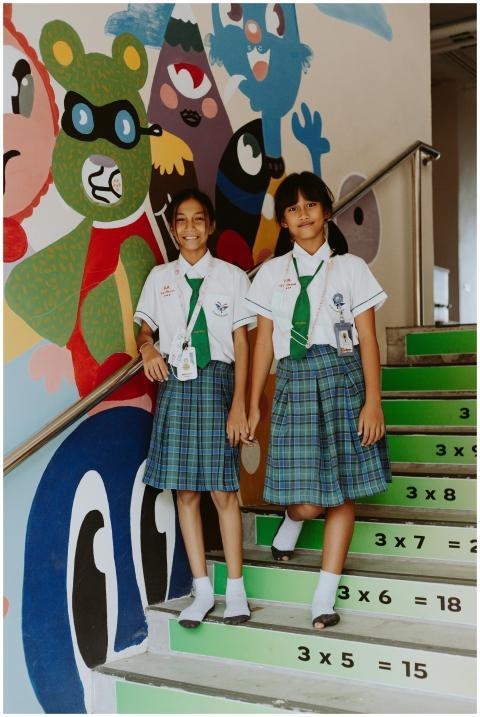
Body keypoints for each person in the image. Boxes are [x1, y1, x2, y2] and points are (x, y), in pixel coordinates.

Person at [245, 172, 391, 630]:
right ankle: (294, 517)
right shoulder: (271, 273)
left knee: (343, 490)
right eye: (293, 208)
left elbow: (367, 339)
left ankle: (324, 596)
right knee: (308, 501)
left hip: (344, 380)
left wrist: (373, 401)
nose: (303, 213)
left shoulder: (351, 269)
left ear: (326, 211)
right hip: (295, 381)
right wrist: (252, 402)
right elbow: (264, 343)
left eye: (311, 205)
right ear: (284, 222)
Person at [134, 188, 255, 628]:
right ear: (171, 228)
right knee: (185, 492)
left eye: (198, 219)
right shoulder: (159, 278)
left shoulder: (233, 278)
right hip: (177, 386)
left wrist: (240, 404)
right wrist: (147, 348)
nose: (189, 228)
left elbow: (242, 344)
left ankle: (236, 590)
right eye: (181, 220)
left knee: (223, 490)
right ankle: (202, 591)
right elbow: (143, 329)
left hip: (219, 383)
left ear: (211, 225)